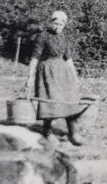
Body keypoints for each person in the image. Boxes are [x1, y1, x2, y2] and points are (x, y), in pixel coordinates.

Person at [26, 9, 84, 145]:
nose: (58, 27)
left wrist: (75, 77)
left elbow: (68, 58)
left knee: (71, 99)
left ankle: (73, 133)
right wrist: (29, 77)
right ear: (51, 22)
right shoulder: (43, 36)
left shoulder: (64, 37)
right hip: (47, 71)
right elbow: (35, 57)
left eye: (61, 24)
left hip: (64, 72)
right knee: (50, 100)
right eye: (56, 24)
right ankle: (48, 132)